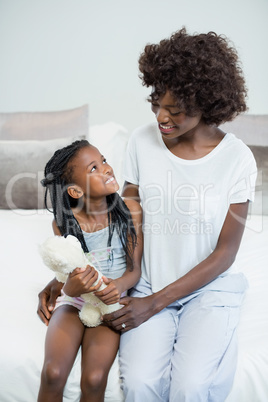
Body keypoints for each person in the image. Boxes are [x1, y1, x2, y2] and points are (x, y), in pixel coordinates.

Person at [38, 28, 257, 401]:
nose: (162, 117)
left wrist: (153, 305)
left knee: (190, 387)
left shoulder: (238, 160)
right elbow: (119, 220)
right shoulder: (142, 141)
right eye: (157, 103)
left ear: (208, 102)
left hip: (207, 291)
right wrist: (65, 277)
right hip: (147, 283)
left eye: (176, 110)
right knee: (138, 385)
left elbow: (225, 254)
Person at [37, 139, 142, 402]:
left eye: (104, 161)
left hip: (109, 304)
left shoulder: (130, 211)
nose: (106, 169)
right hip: (74, 301)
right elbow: (67, 279)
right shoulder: (63, 222)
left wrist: (116, 288)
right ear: (75, 191)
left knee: (94, 379)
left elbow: (134, 271)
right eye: (93, 168)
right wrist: (70, 288)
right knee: (53, 372)